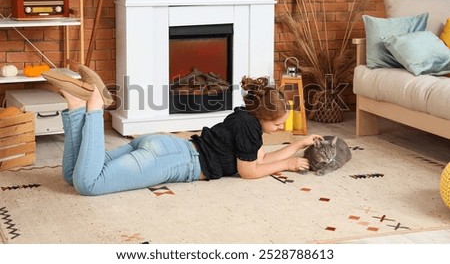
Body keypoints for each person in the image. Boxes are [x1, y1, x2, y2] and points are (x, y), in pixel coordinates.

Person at [42, 66, 323, 196]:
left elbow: (259, 160)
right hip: (173, 162)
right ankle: (93, 107)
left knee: (73, 175)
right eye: (277, 124)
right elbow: (250, 171)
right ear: (262, 116)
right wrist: (286, 163)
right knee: (89, 184)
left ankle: (77, 106)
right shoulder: (249, 129)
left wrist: (297, 146)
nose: (279, 129)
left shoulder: (244, 118)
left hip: (167, 147)